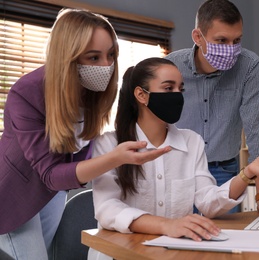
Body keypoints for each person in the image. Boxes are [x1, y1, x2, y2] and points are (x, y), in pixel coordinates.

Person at [0, 9, 169, 260]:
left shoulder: (92, 92)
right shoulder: (26, 93)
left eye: (111, 55)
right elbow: (49, 173)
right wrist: (115, 158)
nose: (106, 66)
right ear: (68, 57)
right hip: (13, 196)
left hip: (53, 192)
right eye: (94, 57)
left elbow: (79, 158)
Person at [89, 57, 259, 259]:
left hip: (175, 252)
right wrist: (165, 225)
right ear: (141, 95)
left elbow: (208, 202)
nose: (177, 96)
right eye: (168, 88)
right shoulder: (108, 145)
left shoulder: (192, 142)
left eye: (181, 89)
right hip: (122, 253)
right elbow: (107, 209)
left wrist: (248, 172)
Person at [165, 0, 259, 214]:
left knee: (225, 241)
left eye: (237, 41)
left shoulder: (248, 65)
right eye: (221, 40)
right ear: (198, 37)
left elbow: (257, 129)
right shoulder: (172, 66)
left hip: (224, 172)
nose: (230, 50)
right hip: (177, 169)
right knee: (177, 240)